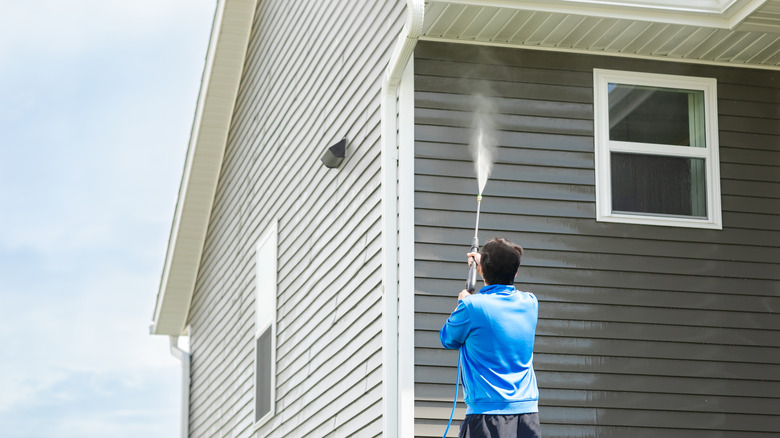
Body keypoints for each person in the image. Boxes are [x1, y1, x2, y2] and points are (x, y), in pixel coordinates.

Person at [440, 237, 541, 438]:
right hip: (527, 414)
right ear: (516, 271)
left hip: (486, 415)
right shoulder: (530, 302)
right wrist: (485, 266)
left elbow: (448, 338)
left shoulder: (471, 306)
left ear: (484, 269)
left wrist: (461, 303)